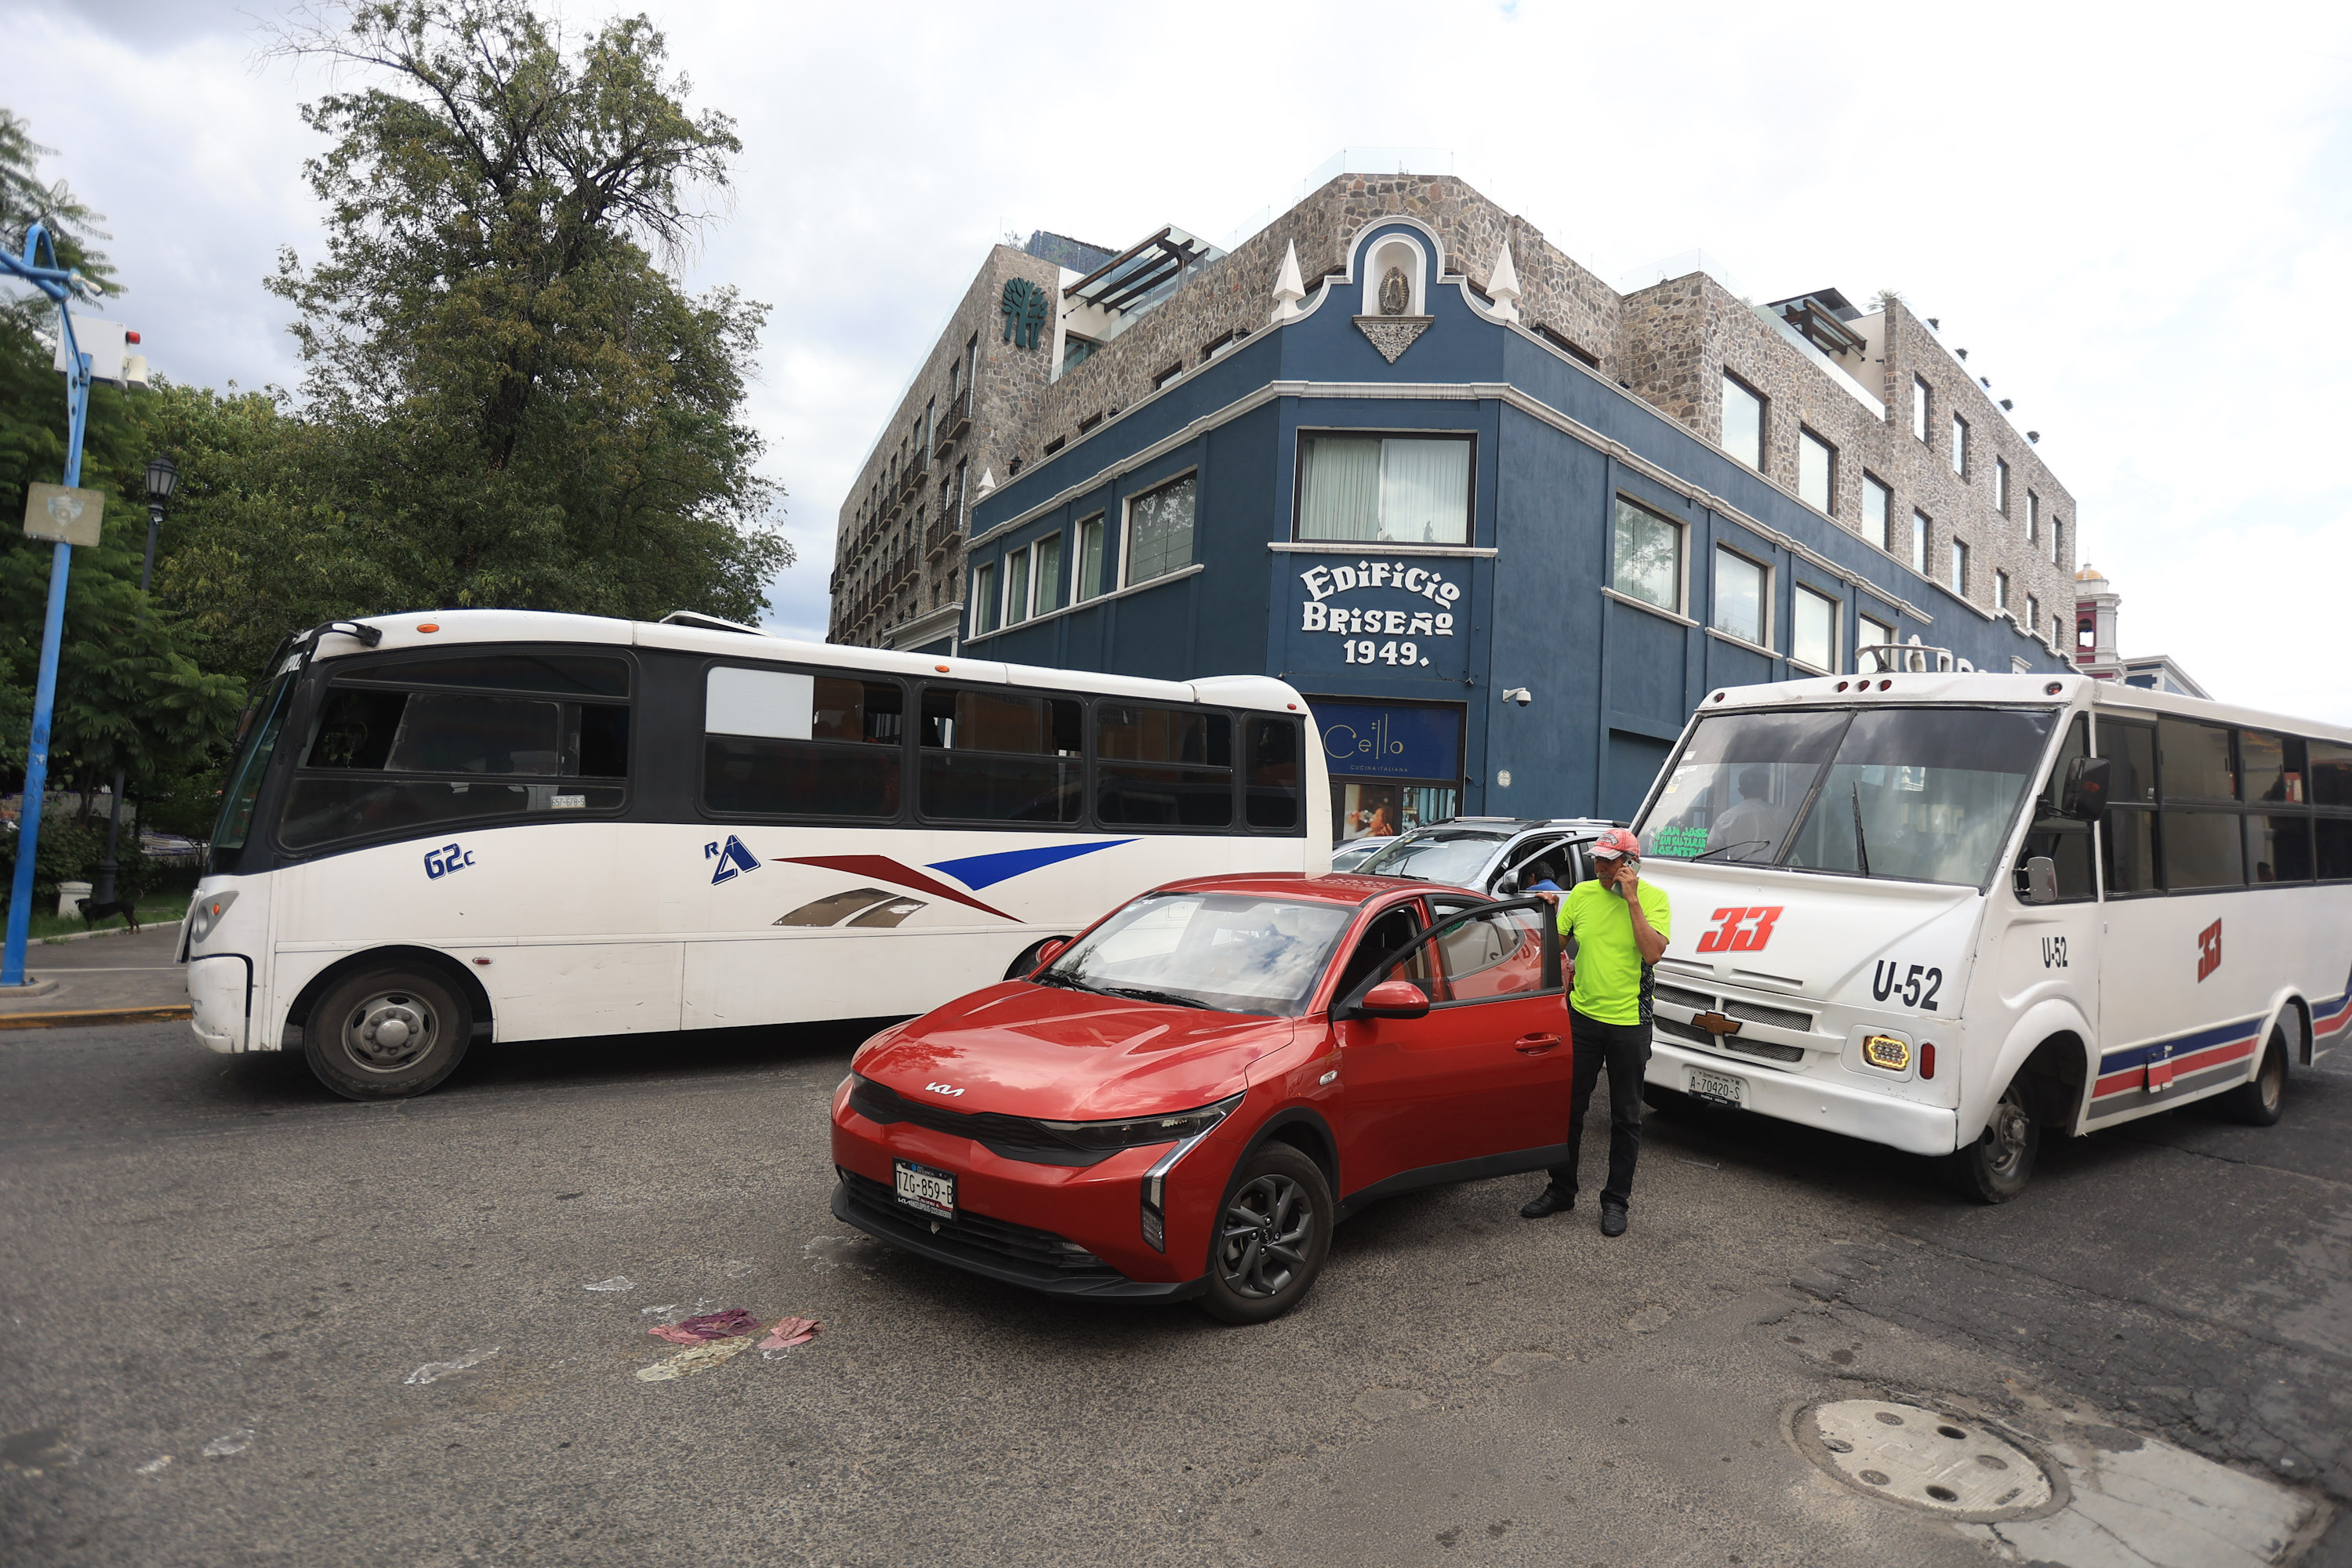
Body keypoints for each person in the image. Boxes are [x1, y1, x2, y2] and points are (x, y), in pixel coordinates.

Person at [1520, 826, 1669, 1236]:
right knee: (1569, 1108)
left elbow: (1653, 953)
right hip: (1582, 1017)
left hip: (1630, 1023)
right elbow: (1554, 950)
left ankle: (1616, 1201)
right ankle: (1561, 1189)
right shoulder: (1583, 895)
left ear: (1631, 864)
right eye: (1598, 859)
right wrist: (1545, 915)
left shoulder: (1655, 899)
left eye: (1609, 860)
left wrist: (1633, 899)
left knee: (1625, 1117)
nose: (1599, 866)